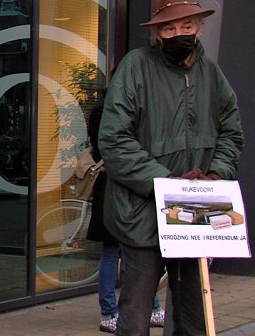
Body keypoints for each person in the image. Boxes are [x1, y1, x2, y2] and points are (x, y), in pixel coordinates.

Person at [97, 0, 244, 335]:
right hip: (141, 212)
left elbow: (231, 133)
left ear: (199, 27)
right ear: (158, 33)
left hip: (196, 214)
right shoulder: (135, 67)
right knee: (135, 313)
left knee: (193, 312)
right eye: (170, 27)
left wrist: (216, 174)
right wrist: (163, 182)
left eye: (186, 26)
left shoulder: (212, 73)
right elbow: (113, 139)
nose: (179, 33)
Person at [86, 90, 164, 334]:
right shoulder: (107, 112)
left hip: (129, 189)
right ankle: (109, 311)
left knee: (138, 250)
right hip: (113, 188)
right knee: (113, 250)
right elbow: (110, 149)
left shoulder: (119, 110)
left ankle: (150, 307)